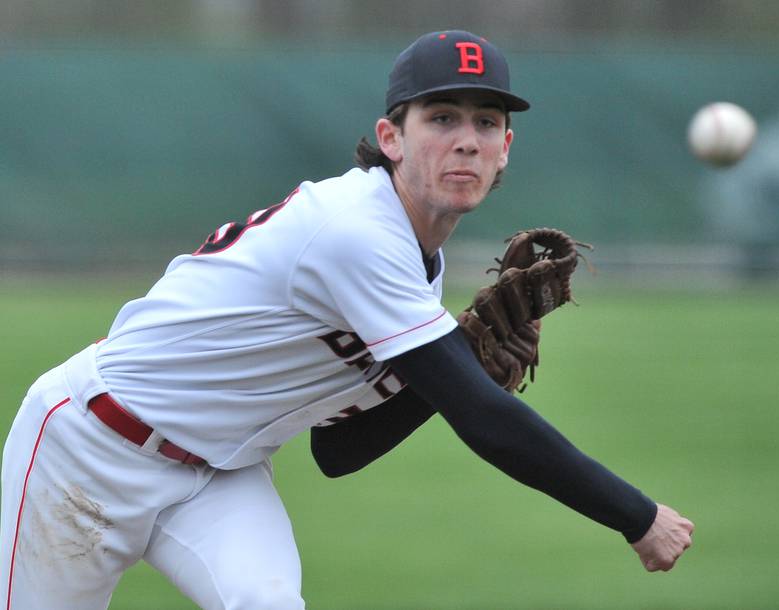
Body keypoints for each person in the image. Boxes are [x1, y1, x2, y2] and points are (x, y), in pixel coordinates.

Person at [0, 30, 693, 609]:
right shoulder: (356, 231)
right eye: (442, 117)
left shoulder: (418, 261)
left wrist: (462, 365)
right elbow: (482, 419)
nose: (467, 140)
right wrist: (635, 517)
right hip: (87, 451)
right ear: (392, 137)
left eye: (487, 122)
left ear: (506, 148)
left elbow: (339, 451)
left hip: (219, 473)